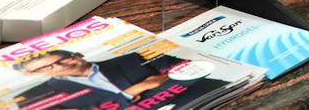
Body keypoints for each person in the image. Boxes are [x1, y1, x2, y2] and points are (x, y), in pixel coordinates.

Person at [14, 48, 227, 108]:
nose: (59, 67)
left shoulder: (129, 57)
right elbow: (158, 80)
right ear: (36, 74)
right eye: (47, 67)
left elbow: (184, 69)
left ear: (77, 55)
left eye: (62, 59)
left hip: (201, 98)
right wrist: (135, 89)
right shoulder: (39, 97)